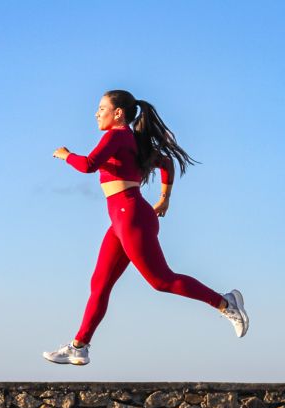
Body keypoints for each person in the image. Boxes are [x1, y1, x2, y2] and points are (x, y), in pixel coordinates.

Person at [45, 90, 248, 366]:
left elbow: (89, 165)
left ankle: (225, 303)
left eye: (101, 108)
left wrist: (66, 154)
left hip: (131, 216)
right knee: (100, 284)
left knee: (161, 280)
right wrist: (165, 198)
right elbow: (165, 163)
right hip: (121, 220)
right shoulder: (132, 140)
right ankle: (78, 347)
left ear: (118, 113)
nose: (96, 113)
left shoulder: (117, 135)